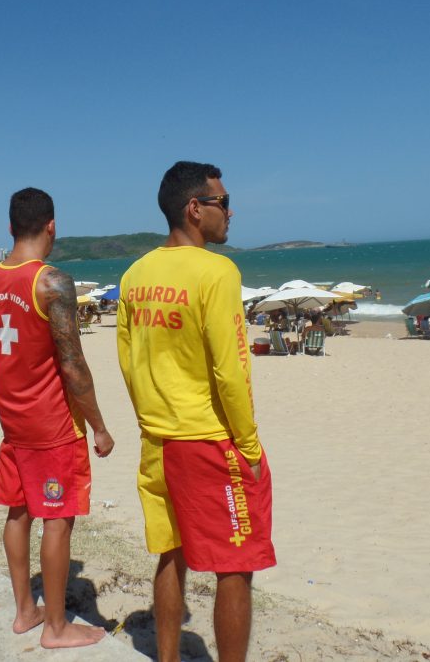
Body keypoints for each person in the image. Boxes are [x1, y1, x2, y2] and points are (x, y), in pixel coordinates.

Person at [116, 161, 275, 662]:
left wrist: (150, 418)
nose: (230, 212)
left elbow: (128, 361)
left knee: (172, 553)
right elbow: (232, 371)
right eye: (222, 202)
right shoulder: (217, 271)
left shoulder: (135, 275)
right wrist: (249, 448)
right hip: (207, 440)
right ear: (194, 208)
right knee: (236, 565)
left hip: (157, 440)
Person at [0, 187, 115, 649]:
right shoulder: (52, 282)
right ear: (51, 226)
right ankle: (56, 627)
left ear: (11, 227)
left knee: (18, 512)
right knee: (57, 518)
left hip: (12, 420)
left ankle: (25, 611)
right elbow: (72, 365)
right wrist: (99, 426)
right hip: (52, 424)